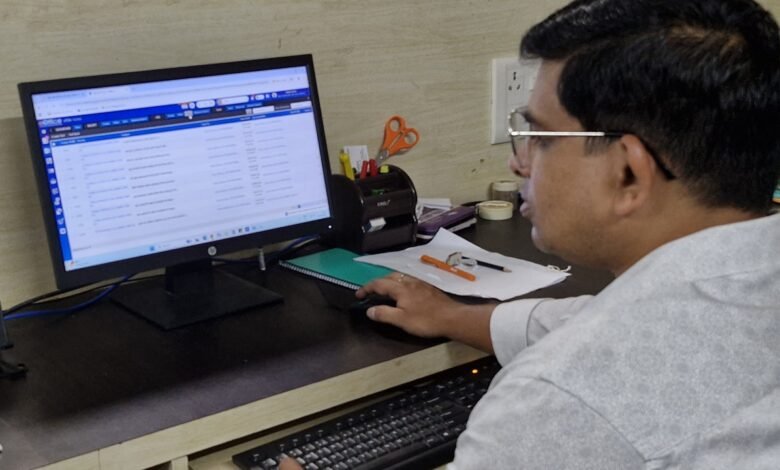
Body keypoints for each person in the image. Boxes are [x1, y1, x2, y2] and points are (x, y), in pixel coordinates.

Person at [282, 0, 780, 468]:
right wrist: (452, 316)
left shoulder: (555, 400)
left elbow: (604, 357)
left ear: (628, 172)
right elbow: (603, 322)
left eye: (539, 136)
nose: (517, 163)